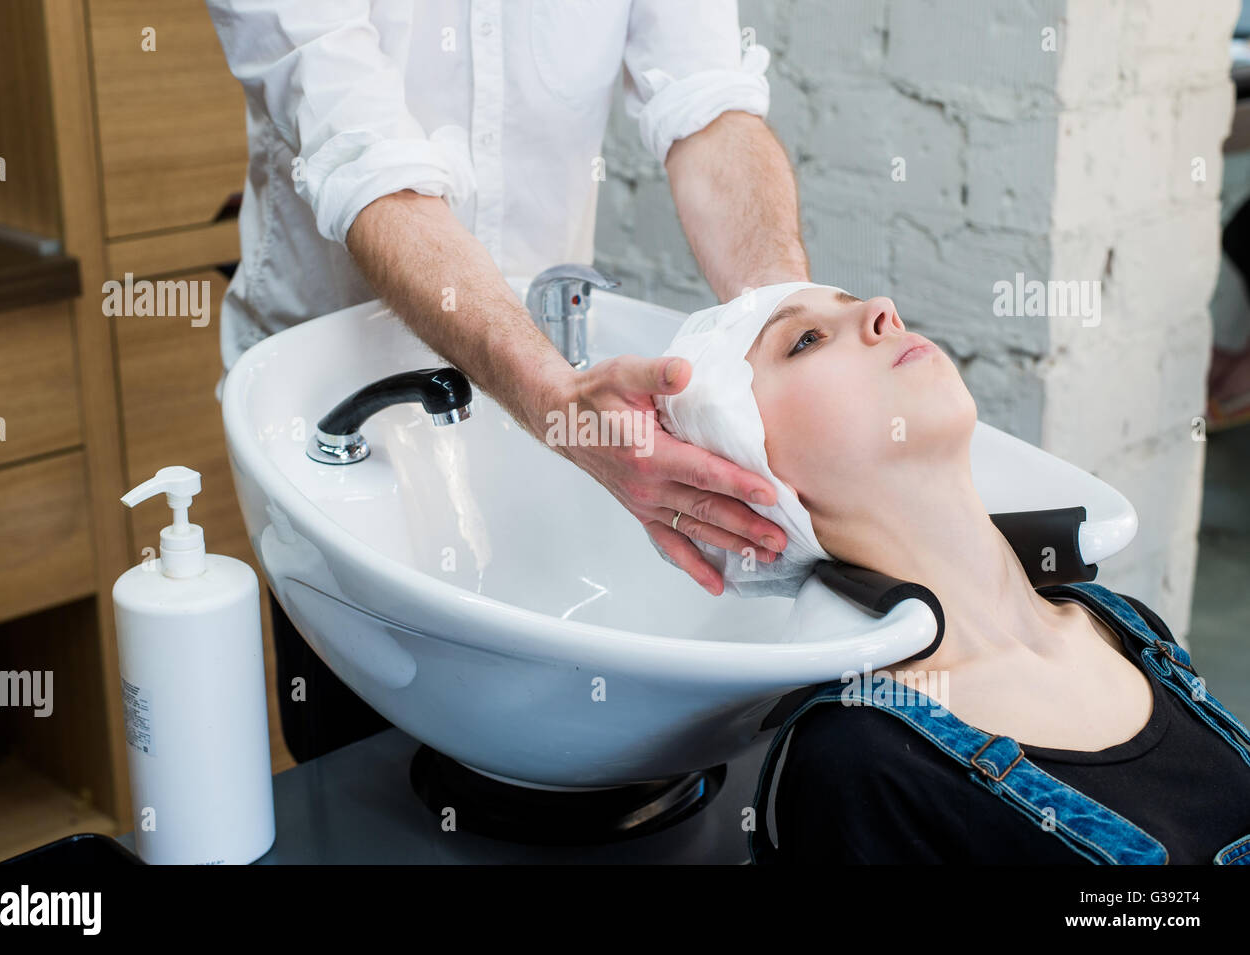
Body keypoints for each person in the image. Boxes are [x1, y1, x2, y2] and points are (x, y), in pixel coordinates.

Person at [205, 1, 811, 761]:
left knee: (560, 706)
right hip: (341, 406)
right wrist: (554, 400)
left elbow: (709, 107)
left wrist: (797, 341)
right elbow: (371, 169)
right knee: (364, 757)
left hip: (549, 374)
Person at [657, 282, 1250, 864]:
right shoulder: (860, 758)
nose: (882, 309)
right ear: (748, 486)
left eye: (856, 303)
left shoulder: (1125, 628)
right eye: (807, 339)